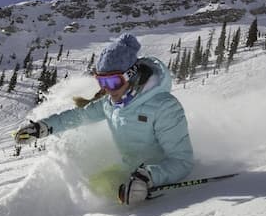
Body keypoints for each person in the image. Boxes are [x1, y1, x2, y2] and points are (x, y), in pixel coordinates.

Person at [14, 34, 194, 205]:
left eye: (114, 82)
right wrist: (44, 127)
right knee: (93, 189)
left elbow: (182, 162)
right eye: (102, 82)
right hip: (128, 172)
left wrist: (150, 177)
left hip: (157, 178)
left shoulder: (164, 107)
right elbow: (79, 116)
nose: (108, 90)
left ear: (131, 76)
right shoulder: (109, 104)